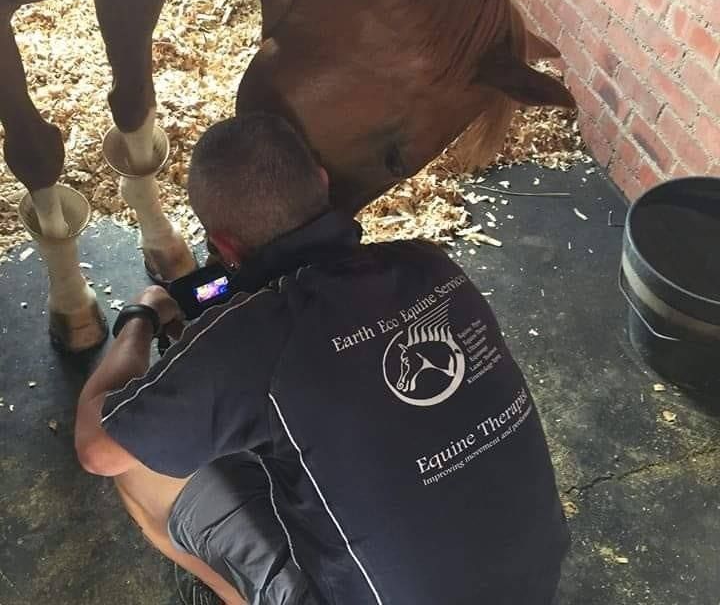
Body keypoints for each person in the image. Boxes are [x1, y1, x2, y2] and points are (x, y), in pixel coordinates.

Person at [75, 112, 569, 605]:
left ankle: (232, 596)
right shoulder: (429, 263)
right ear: (323, 183)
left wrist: (140, 315)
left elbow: (98, 449)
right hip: (533, 578)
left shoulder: (256, 333)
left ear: (226, 248)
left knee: (138, 472)